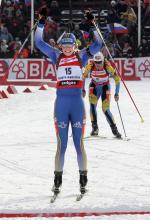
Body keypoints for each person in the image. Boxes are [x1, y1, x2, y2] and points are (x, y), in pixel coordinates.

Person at [35, 8, 102, 195]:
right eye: (64, 46)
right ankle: (57, 180)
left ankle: (83, 178)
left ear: (75, 46)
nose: (66, 49)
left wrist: (92, 25)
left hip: (77, 105)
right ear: (60, 46)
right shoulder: (56, 56)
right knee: (62, 144)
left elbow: (98, 44)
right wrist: (41, 22)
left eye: (69, 46)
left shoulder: (81, 56)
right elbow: (38, 42)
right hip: (62, 105)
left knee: (79, 144)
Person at [83, 51, 122, 138]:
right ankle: (95, 128)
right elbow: (83, 76)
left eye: (100, 62)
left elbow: (117, 79)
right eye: (96, 62)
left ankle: (114, 130)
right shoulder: (90, 65)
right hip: (94, 87)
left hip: (105, 87)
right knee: (92, 106)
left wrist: (116, 93)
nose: (98, 64)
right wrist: (83, 89)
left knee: (105, 109)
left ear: (103, 60)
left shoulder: (107, 66)